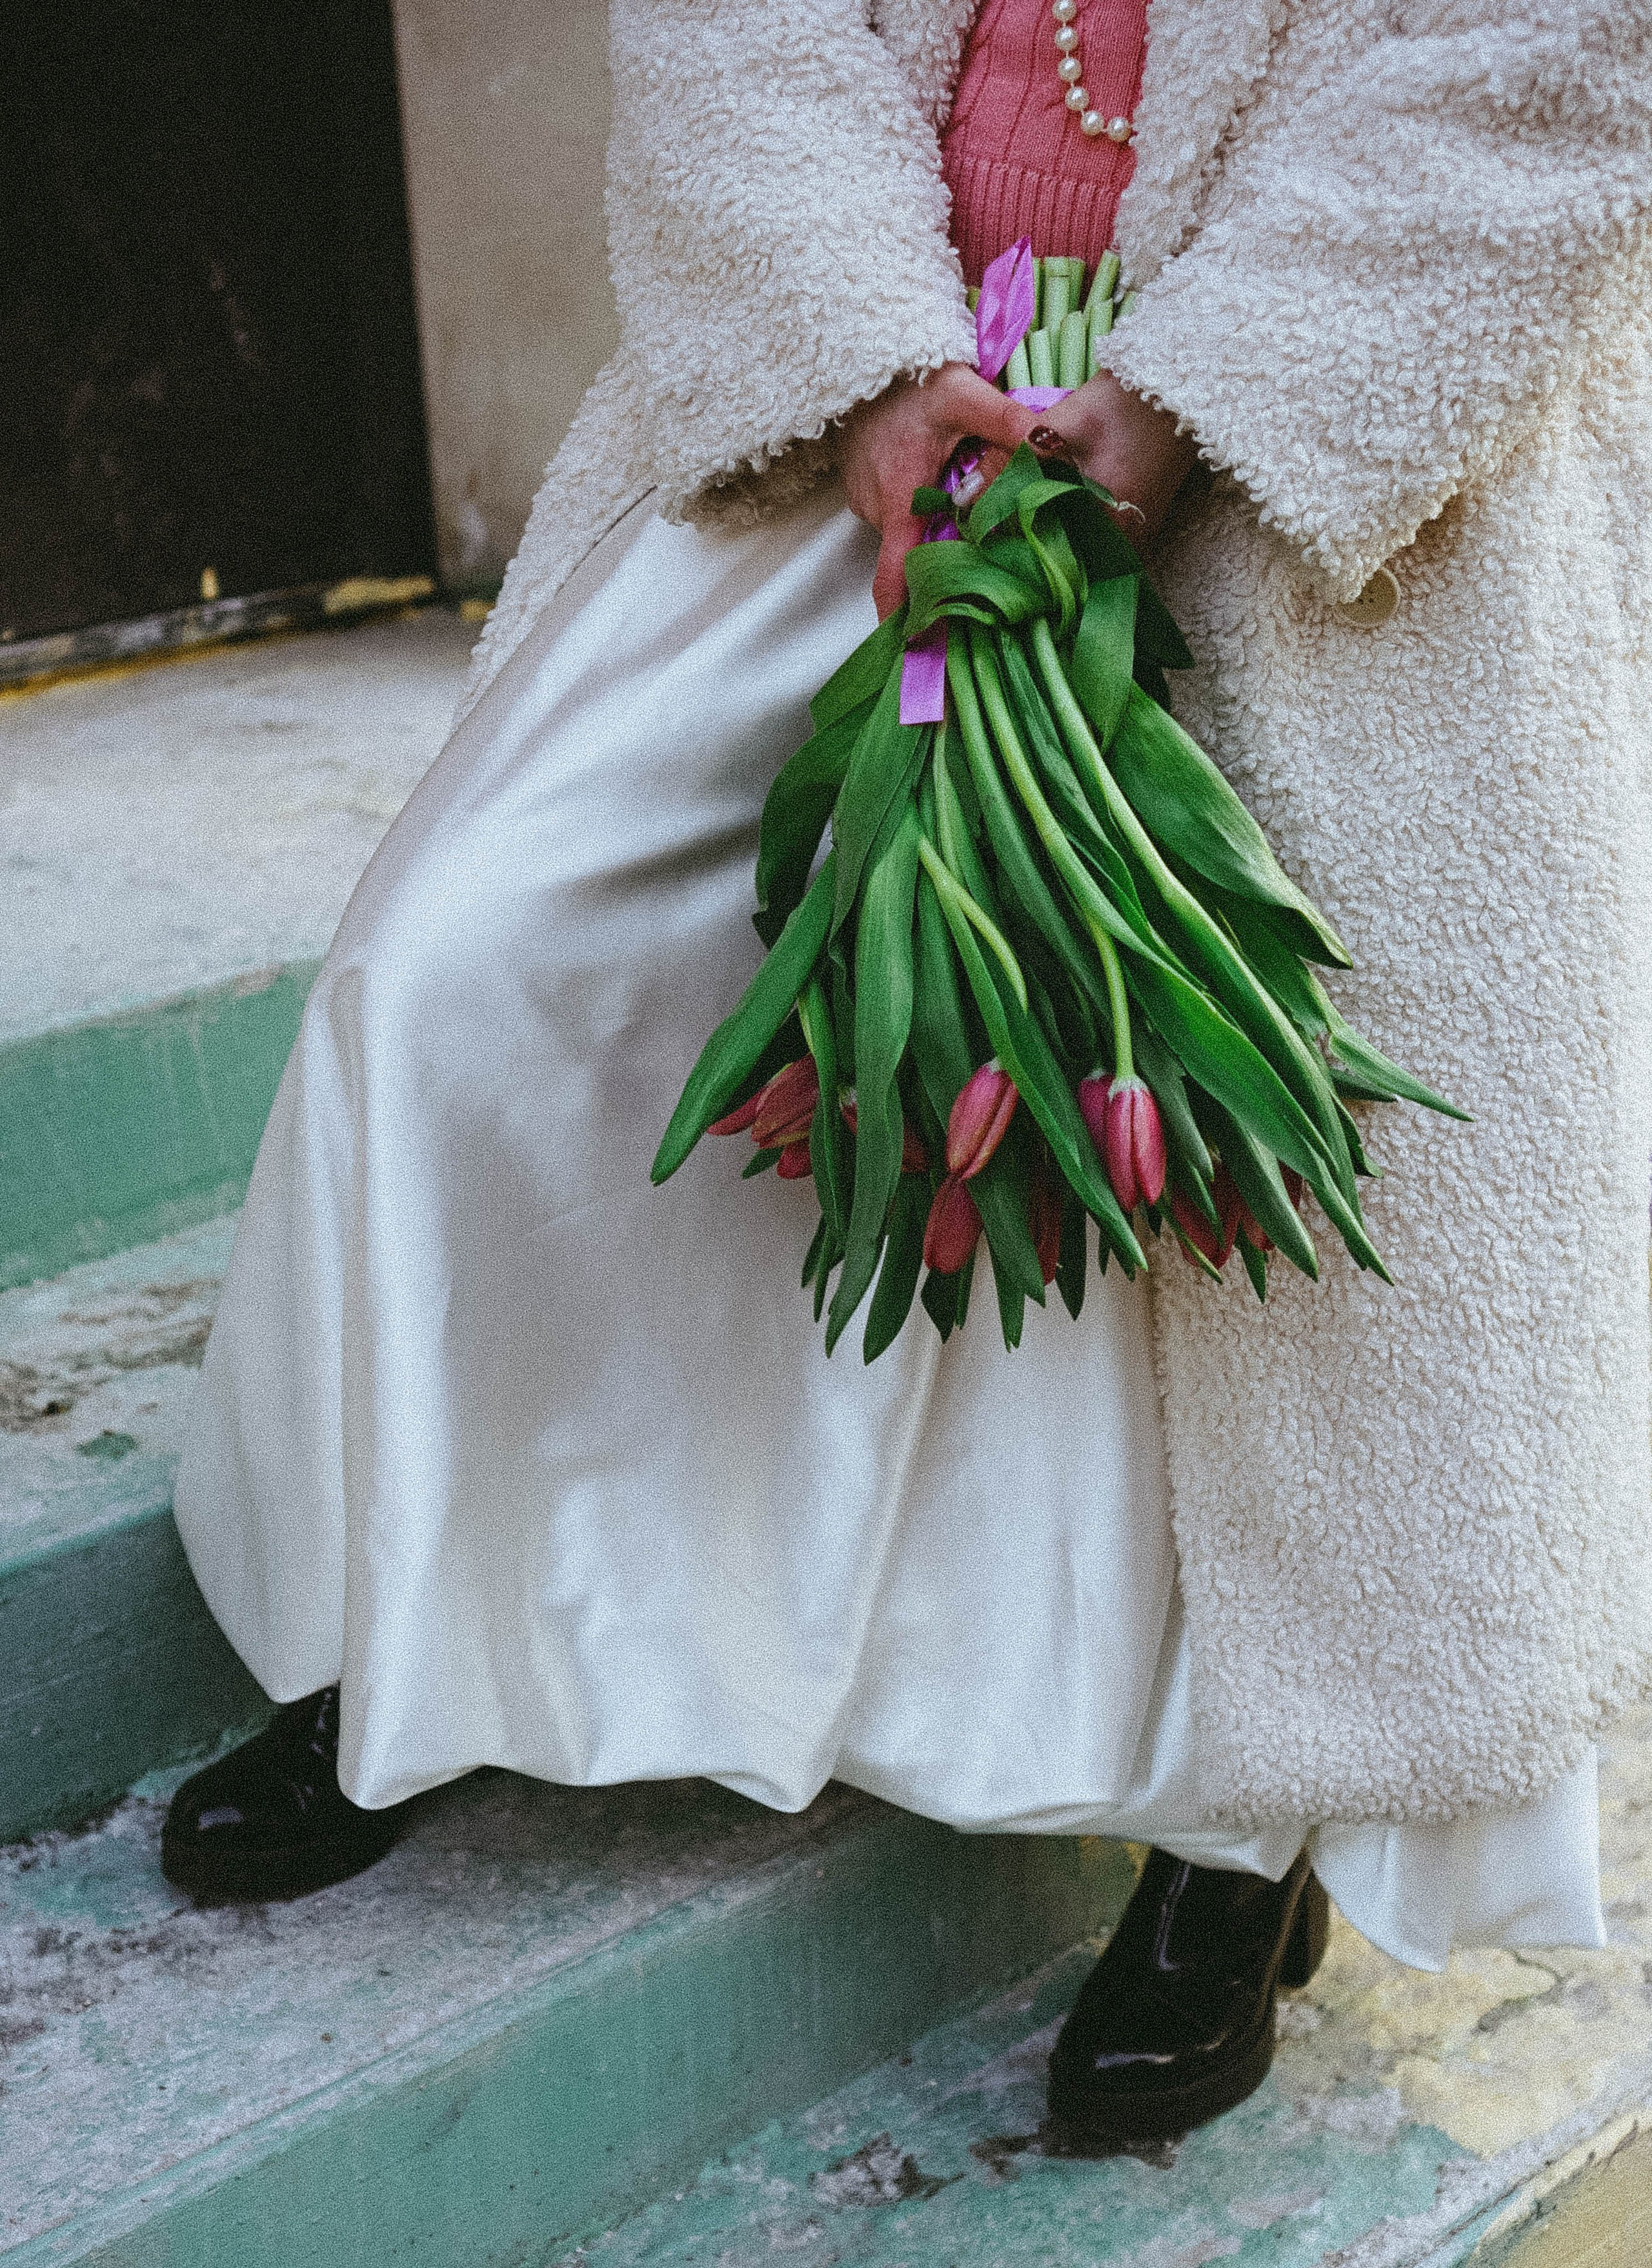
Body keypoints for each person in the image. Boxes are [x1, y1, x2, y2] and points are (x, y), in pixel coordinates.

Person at [163, 0, 1652, 2143]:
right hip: (876, 417)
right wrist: (857, 360)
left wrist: (1214, 394)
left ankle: (1251, 1842)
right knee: (456, 965)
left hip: (1336, 466)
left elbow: (1564, 54)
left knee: (1300, 1177)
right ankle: (423, 1620)